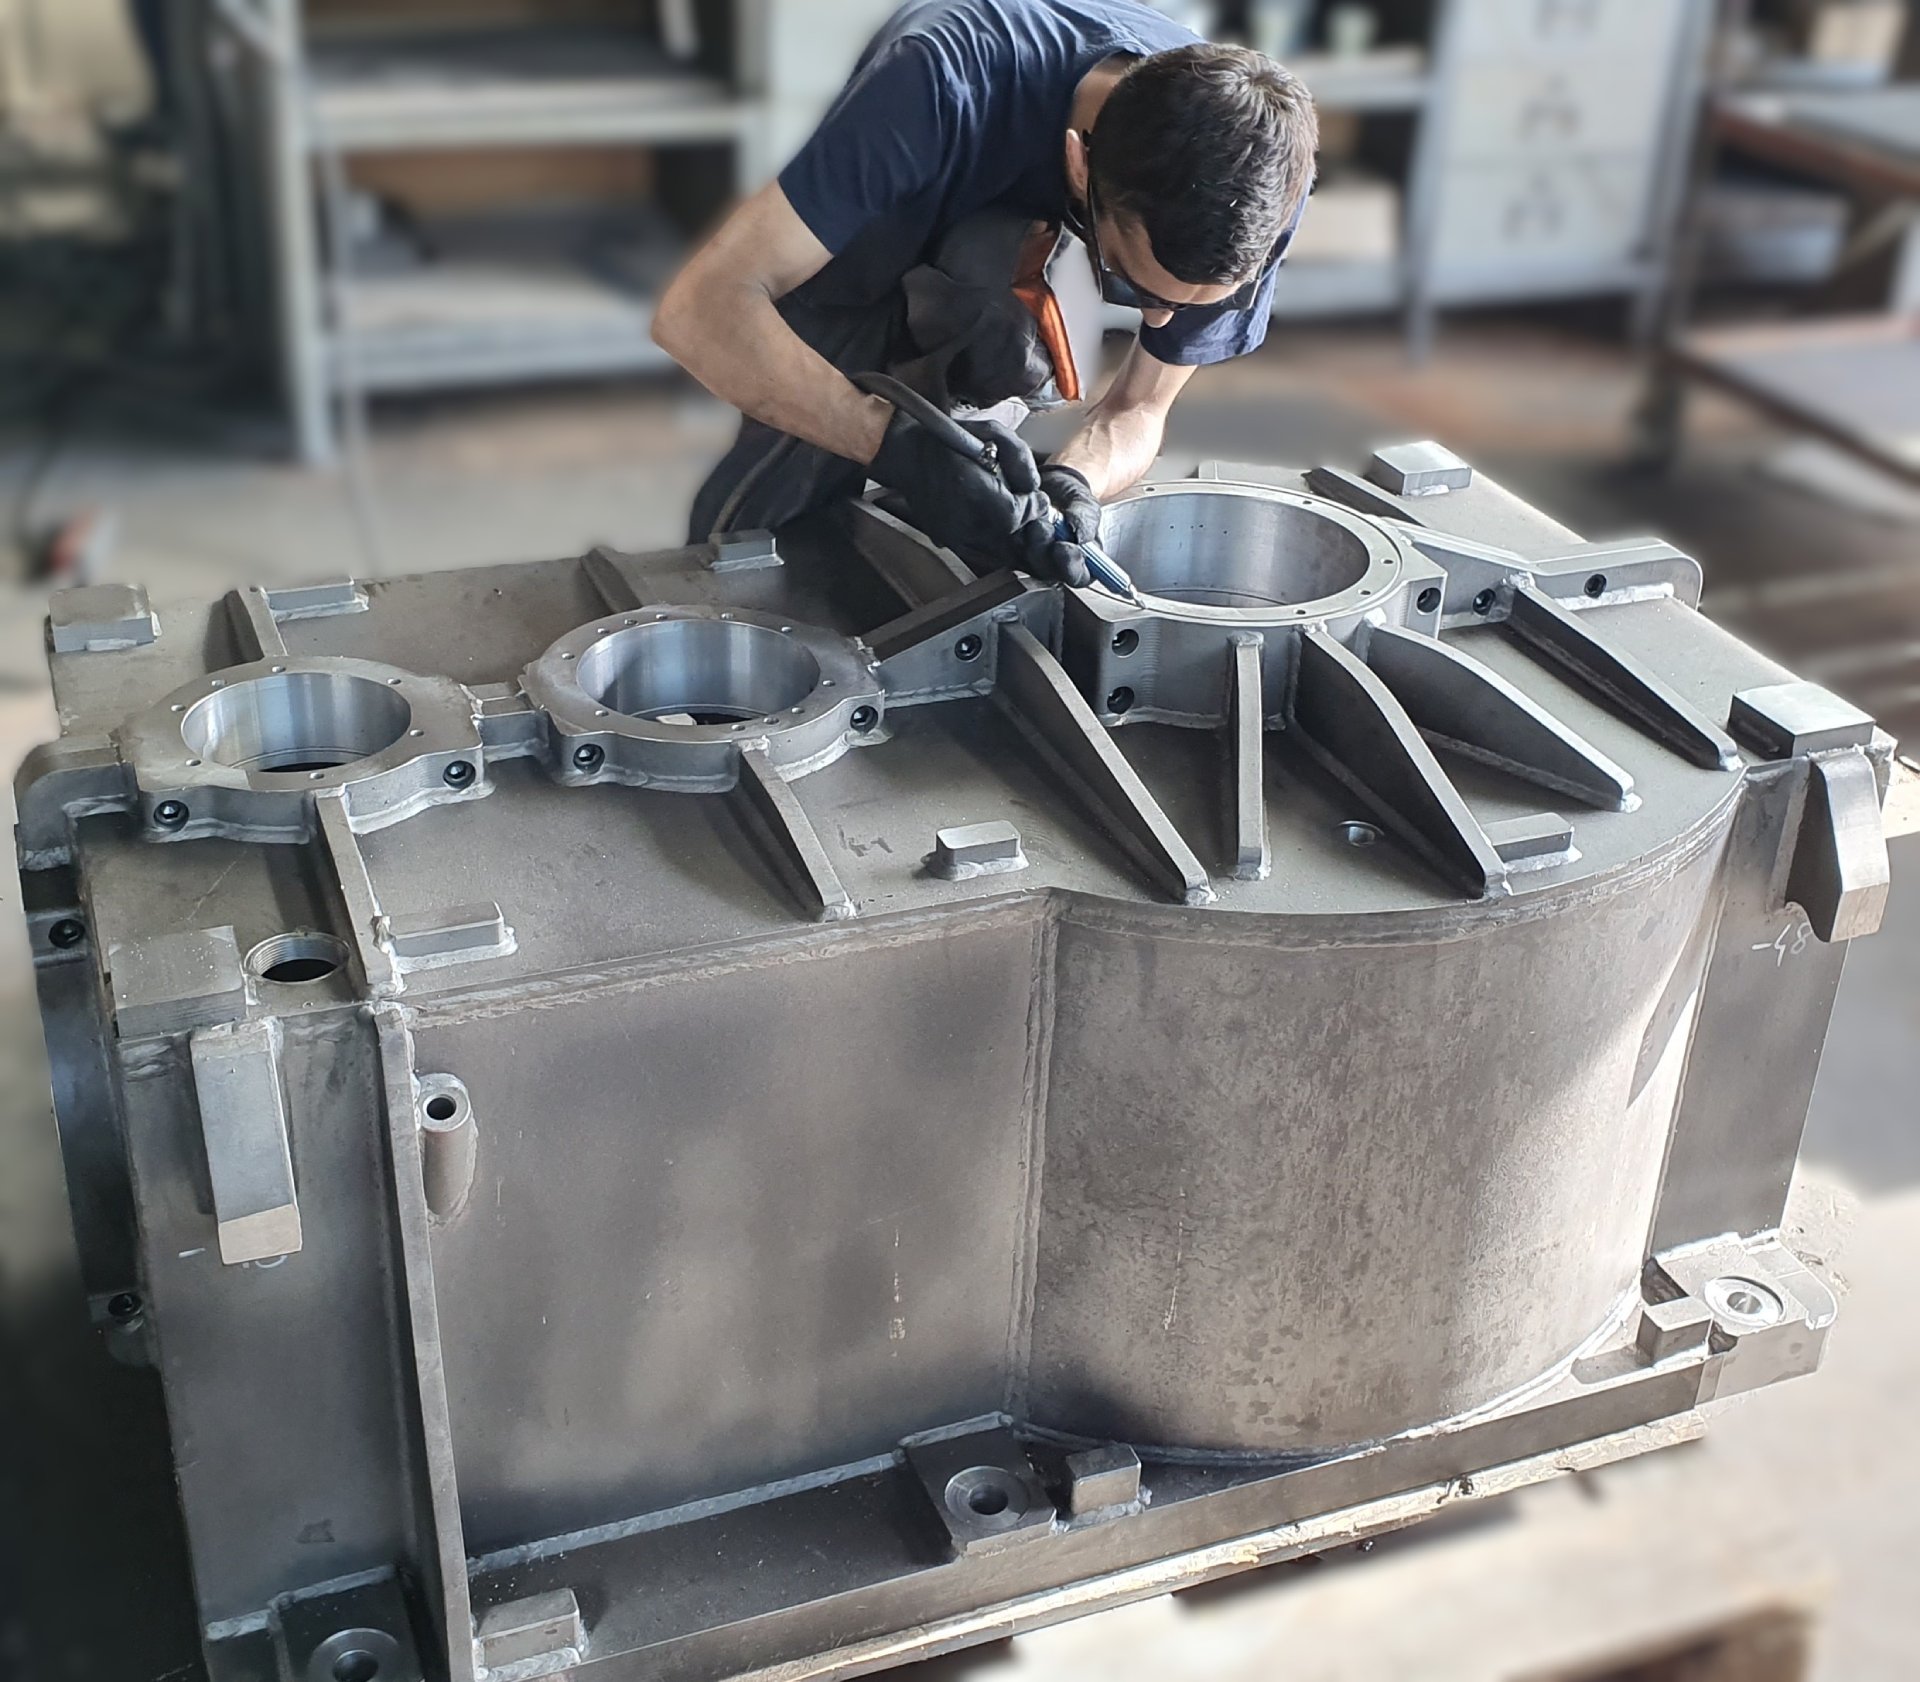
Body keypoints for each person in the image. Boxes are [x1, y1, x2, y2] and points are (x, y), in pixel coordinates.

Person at [654, 0, 1317, 585]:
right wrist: (891, 445)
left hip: (1006, 238)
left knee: (992, 412)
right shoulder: (934, 83)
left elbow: (1139, 408)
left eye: (1203, 303)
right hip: (897, 199)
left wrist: (1073, 486)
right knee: (782, 491)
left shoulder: (1253, 179)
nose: (1159, 319)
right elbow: (699, 310)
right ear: (1078, 163)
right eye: (1129, 282)